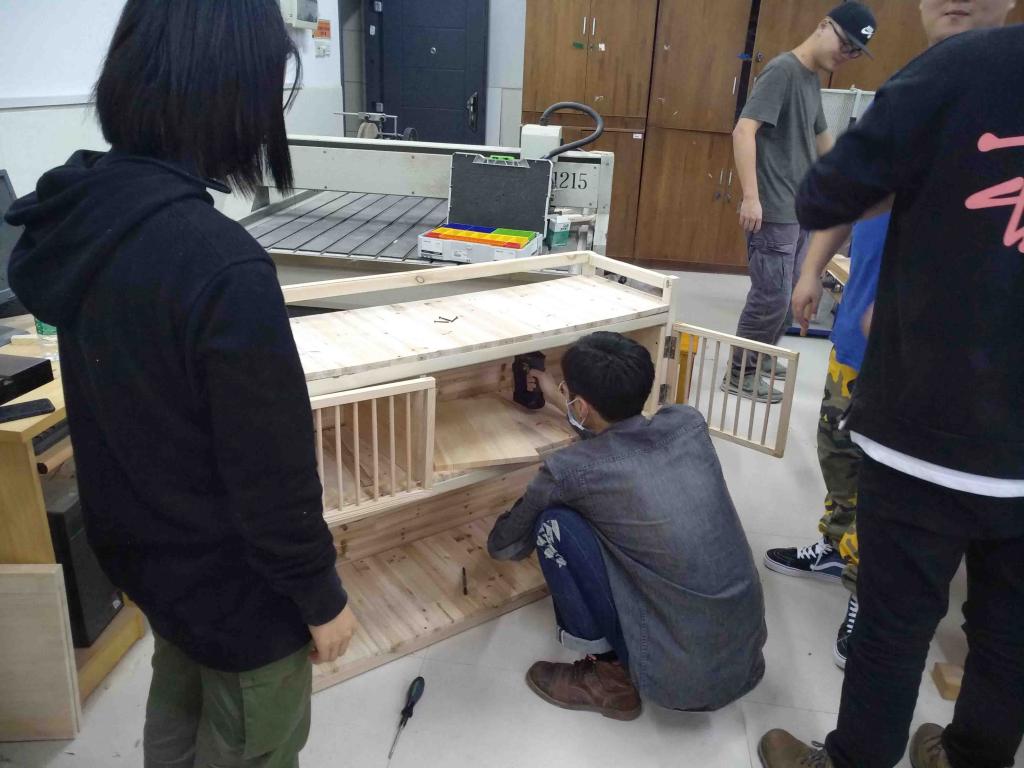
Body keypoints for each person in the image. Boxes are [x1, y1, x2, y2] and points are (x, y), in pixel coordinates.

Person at [5, 2, 357, 765]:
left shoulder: (86, 221)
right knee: (253, 742)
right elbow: (271, 477)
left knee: (178, 704)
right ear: (232, 97)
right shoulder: (220, 265)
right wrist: (320, 596)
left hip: (154, 567)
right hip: (241, 593)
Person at [757, 21, 1024, 768]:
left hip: (932, 424)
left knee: (895, 622)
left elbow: (825, 193)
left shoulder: (957, 68)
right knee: (1010, 631)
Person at [487, 332, 767, 719]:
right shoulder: (687, 423)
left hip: (677, 680)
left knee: (555, 525)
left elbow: (504, 546)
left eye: (568, 393)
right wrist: (560, 399)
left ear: (582, 405)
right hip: (743, 660)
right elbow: (621, 441)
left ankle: (610, 679)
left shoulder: (568, 471)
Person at [727, 2, 877, 403]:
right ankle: (740, 372)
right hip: (773, 208)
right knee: (770, 297)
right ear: (824, 26)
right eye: (845, 44)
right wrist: (751, 197)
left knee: (790, 290)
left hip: (798, 209)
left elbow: (822, 138)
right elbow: (743, 131)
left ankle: (761, 357)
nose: (846, 55)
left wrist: (852, 180)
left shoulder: (810, 78)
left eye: (855, 52)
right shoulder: (782, 71)